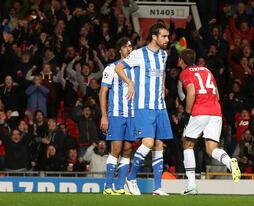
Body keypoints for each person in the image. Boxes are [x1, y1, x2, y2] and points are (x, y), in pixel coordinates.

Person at [114, 23, 173, 195]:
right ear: (154, 37)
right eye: (164, 36)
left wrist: (162, 86)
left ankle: (158, 187)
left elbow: (162, 73)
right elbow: (119, 68)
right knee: (147, 142)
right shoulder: (139, 54)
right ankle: (131, 177)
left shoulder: (163, 55)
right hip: (143, 106)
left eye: (167, 36)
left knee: (159, 145)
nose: (167, 39)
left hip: (160, 106)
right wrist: (130, 82)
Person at [178, 48, 241, 195]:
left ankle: (191, 186)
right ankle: (230, 163)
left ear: (181, 60)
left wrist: (187, 114)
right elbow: (217, 94)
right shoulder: (206, 70)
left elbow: (192, 92)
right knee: (211, 148)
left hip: (200, 111)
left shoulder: (185, 73)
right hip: (216, 111)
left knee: (187, 144)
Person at [99, 37, 134, 195]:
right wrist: (104, 116)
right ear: (120, 49)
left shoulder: (135, 68)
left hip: (132, 115)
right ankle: (107, 186)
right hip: (117, 114)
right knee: (116, 148)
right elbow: (103, 92)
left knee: (127, 150)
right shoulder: (111, 68)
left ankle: (120, 187)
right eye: (126, 47)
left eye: (131, 47)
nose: (129, 49)